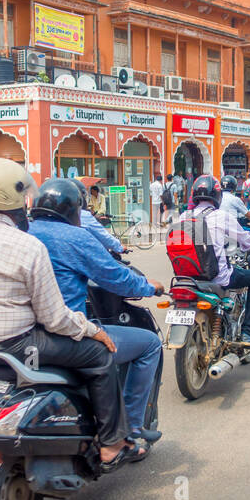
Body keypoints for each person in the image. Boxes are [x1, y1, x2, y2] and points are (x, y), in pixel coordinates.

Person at [0, 159, 142, 469]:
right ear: (11, 199)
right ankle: (111, 444)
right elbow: (55, 318)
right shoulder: (27, 245)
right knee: (98, 355)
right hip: (17, 345)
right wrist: (94, 331)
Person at [29, 178, 165, 444]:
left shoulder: (24, 234)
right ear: (73, 209)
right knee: (150, 344)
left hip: (25, 335)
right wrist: (149, 287)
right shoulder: (76, 237)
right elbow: (116, 278)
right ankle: (131, 429)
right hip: (66, 334)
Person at [177, 175, 250, 344]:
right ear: (216, 195)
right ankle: (249, 332)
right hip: (216, 276)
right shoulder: (220, 216)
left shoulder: (184, 216)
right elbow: (245, 239)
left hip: (187, 277)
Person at [70, 179, 123, 255]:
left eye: (92, 191)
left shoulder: (101, 197)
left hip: (99, 213)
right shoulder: (85, 216)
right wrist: (119, 247)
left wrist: (97, 213)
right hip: (92, 215)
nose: (91, 193)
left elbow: (103, 208)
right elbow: (104, 237)